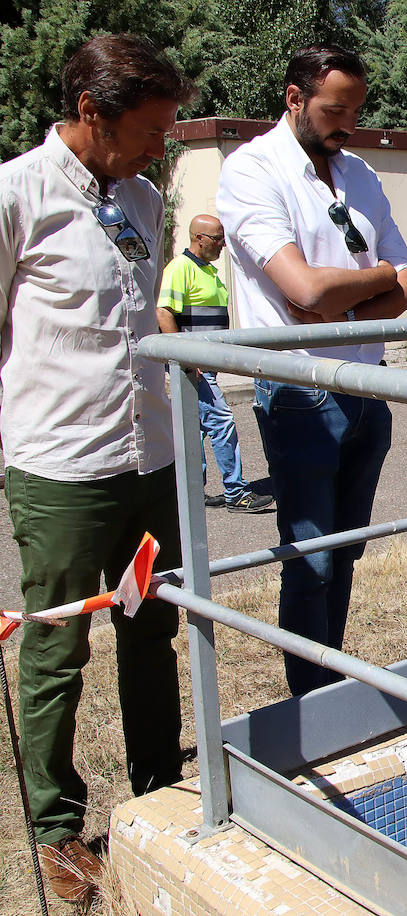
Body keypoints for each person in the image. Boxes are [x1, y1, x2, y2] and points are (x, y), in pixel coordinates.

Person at [0, 34, 195, 904]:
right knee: (56, 646)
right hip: (61, 467)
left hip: (148, 459)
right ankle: (56, 829)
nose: (164, 144)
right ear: (93, 113)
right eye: (152, 128)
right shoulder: (16, 194)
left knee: (154, 630)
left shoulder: (145, 199)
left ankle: (159, 797)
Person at [216, 45, 407, 695]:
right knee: (309, 561)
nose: (349, 124)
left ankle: (330, 681)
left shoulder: (359, 171)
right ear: (294, 98)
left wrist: (353, 292)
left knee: (345, 552)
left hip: (369, 386)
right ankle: (310, 706)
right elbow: (302, 291)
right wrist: (367, 283)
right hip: (301, 390)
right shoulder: (252, 170)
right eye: (336, 109)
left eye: (357, 110)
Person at [157, 214, 274, 513]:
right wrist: (184, 359)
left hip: (204, 367)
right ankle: (236, 493)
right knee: (222, 422)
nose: (222, 244)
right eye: (217, 239)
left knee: (195, 429)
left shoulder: (206, 270)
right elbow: (164, 313)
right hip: (194, 367)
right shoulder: (180, 268)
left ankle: (190, 493)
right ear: (199, 239)